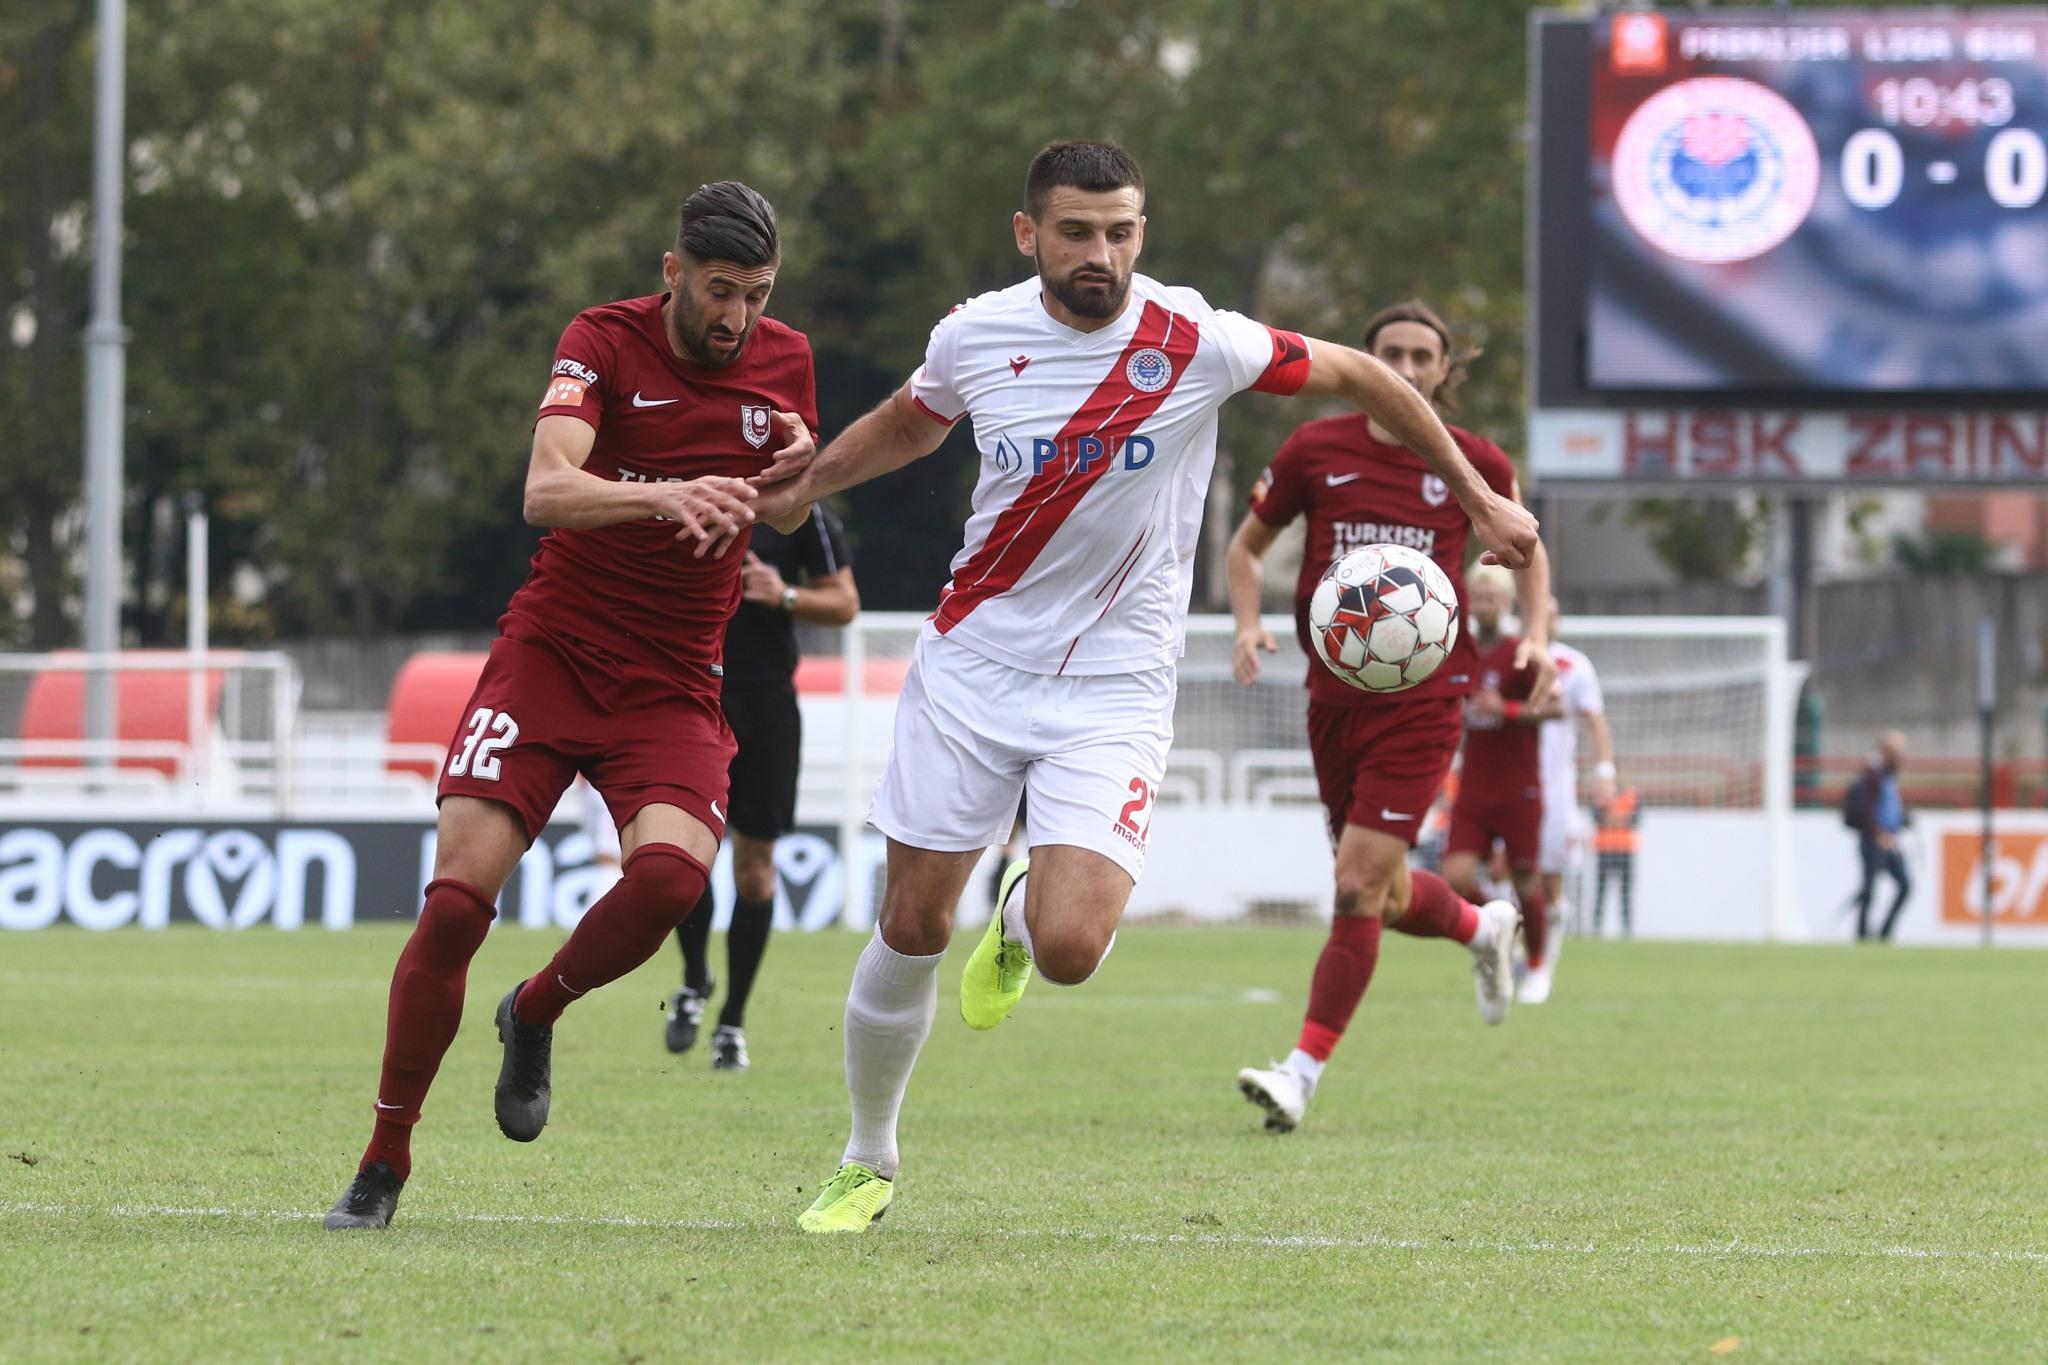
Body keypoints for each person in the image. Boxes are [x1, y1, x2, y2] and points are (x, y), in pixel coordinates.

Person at [747, 141, 1541, 1231]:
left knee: (1073, 948)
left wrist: (1480, 501)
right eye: (1076, 232)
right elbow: (912, 420)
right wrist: (809, 484)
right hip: (973, 664)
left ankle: (1021, 927)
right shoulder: (974, 334)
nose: (1100, 254)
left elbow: (1364, 377)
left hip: (1115, 687)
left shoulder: (1195, 339)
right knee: (912, 922)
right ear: (1028, 234)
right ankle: (866, 1156)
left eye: (1120, 231)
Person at [323, 182, 819, 1231]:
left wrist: (795, 478)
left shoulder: (787, 359)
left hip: (676, 678)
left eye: (756, 295)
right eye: (719, 291)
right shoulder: (599, 339)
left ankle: (534, 1009)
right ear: (672, 271)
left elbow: (779, 500)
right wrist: (661, 492)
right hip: (552, 653)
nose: (736, 317)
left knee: (671, 883)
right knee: (457, 902)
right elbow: (545, 489)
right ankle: (384, 1159)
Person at [1229, 298, 1555, 1133]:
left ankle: (1300, 1072)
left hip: (1423, 704)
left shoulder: (1474, 461)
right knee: (1380, 889)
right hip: (1331, 701)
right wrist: (1247, 622)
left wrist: (1540, 637)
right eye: (1389, 354)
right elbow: (1245, 549)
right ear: (1363, 364)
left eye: (1422, 357)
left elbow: (1528, 548)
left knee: (1354, 885)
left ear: (1444, 371)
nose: (1405, 370)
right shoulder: (1314, 449)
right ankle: (1483, 926)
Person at [665, 508, 859, 1071]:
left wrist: (786, 595)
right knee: (685, 859)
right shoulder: (685, 495)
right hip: (694, 696)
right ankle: (696, 977)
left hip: (769, 705)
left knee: (755, 871)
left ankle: (732, 1021)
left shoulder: (802, 510)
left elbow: (845, 603)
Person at [1440, 566, 1557, 998]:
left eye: (1491, 596)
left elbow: (1557, 708)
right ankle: (1500, 927)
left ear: (1507, 601)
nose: (1484, 603)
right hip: (1473, 786)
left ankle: (1539, 966)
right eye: (1478, 595)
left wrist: (1505, 710)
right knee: (1454, 877)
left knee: (1527, 879)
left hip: (1519, 787)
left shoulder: (1521, 652)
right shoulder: (1457, 650)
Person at [1535, 597, 1614, 981]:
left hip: (1554, 788)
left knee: (1549, 875)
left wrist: (1604, 770)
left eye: (1551, 616)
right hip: (1508, 783)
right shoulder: (1512, 657)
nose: (1545, 622)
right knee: (1501, 871)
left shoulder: (1574, 665)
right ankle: (1523, 951)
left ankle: (1546, 949)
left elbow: (1595, 721)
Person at [1846, 731, 1912, 941]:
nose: (1901, 756)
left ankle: (1884, 933)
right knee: (1869, 890)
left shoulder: (1888, 777)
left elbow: (1888, 808)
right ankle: (1863, 936)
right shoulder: (1872, 776)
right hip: (1873, 841)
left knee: (1904, 885)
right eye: (1897, 751)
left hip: (1889, 841)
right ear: (1885, 751)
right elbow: (1866, 808)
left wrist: (1903, 820)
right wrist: (1877, 833)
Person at [1591, 781, 1639, 937]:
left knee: (1625, 892)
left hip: (1625, 850)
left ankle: (1626, 930)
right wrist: (1619, 819)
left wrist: (1612, 819)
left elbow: (1636, 820)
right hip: (1605, 849)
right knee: (1601, 891)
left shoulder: (1631, 795)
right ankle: (1596, 929)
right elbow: (1597, 817)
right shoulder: (1601, 795)